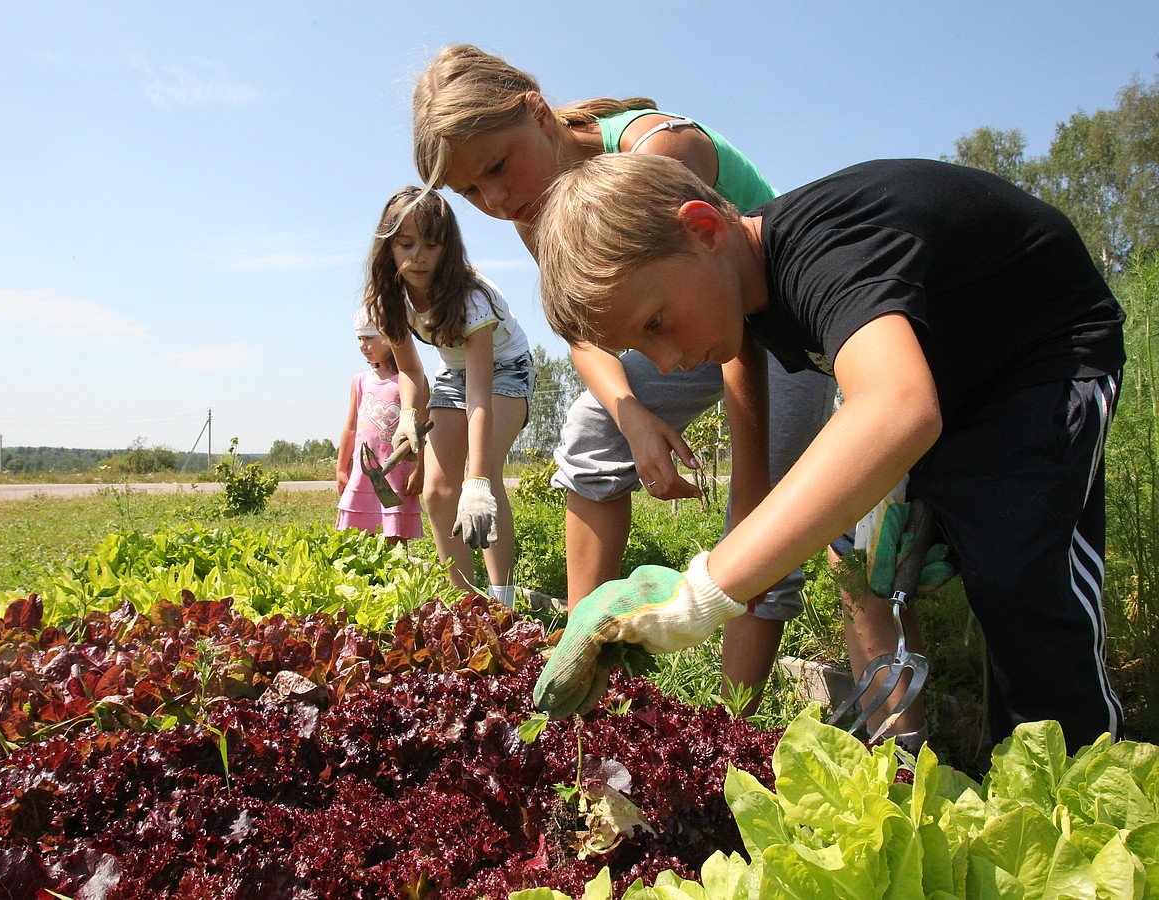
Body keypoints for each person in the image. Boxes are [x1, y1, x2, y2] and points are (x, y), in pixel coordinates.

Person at [530, 153, 1126, 753]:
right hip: (942, 378)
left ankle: (1077, 780)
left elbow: (897, 407)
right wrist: (744, 545)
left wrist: (698, 595)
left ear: (705, 228)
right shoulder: (742, 290)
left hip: (1041, 362)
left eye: (656, 322)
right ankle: (902, 762)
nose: (663, 363)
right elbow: (756, 418)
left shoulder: (825, 251)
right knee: (862, 574)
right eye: (639, 347)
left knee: (1015, 576)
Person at [412, 44, 835, 710]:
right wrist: (634, 416)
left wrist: (749, 481)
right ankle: (583, 656)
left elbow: (727, 324)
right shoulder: (535, 208)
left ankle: (730, 726)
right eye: (470, 191)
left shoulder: (661, 154)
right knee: (592, 427)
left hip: (782, 321)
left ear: (538, 113)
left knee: (763, 512)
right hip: (671, 321)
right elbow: (584, 332)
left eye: (497, 167)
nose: (493, 200)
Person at [363, 186, 535, 604]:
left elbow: (479, 398)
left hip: (505, 370)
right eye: (405, 244)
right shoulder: (391, 300)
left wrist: (475, 482)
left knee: (485, 473)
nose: (417, 256)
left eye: (431, 244)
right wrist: (407, 413)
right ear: (388, 247)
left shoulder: (473, 298)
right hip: (454, 373)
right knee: (438, 489)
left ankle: (502, 602)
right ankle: (465, 604)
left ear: (448, 248)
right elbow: (409, 369)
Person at [334, 309, 424, 544]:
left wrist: (419, 470)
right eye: (360, 338)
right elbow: (351, 427)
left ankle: (396, 575)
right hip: (364, 473)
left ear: (391, 337)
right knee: (359, 534)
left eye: (370, 337)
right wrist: (342, 467)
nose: (363, 345)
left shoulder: (411, 381)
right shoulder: (360, 381)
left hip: (396, 475)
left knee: (394, 533)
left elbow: (422, 430)